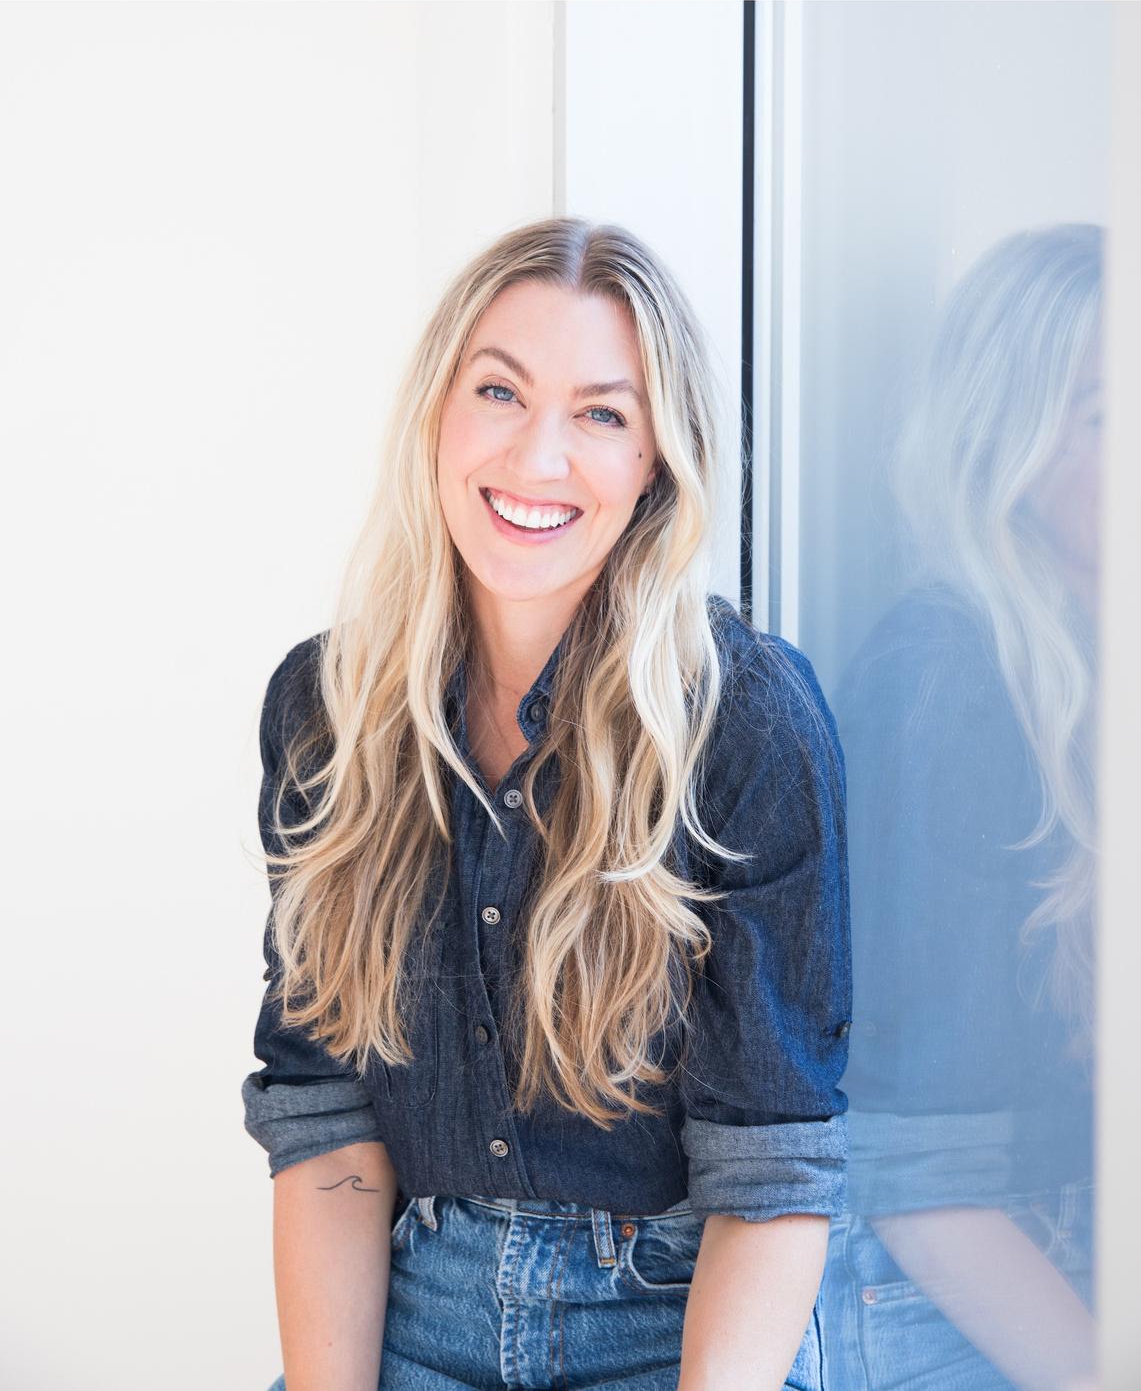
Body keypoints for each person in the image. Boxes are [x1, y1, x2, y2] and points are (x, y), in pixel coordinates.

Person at [240, 216, 852, 1390]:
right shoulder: (324, 709)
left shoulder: (747, 721)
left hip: (672, 1321)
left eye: (601, 415)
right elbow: (324, 1129)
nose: (537, 456)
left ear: (656, 461)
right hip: (414, 1304)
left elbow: (770, 1178)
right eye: (499, 392)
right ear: (437, 413)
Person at [820, 224, 1101, 1391]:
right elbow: (914, 1172)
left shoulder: (1103, 670)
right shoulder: (945, 682)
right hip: (961, 1299)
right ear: (1009, 446)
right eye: (1108, 416)